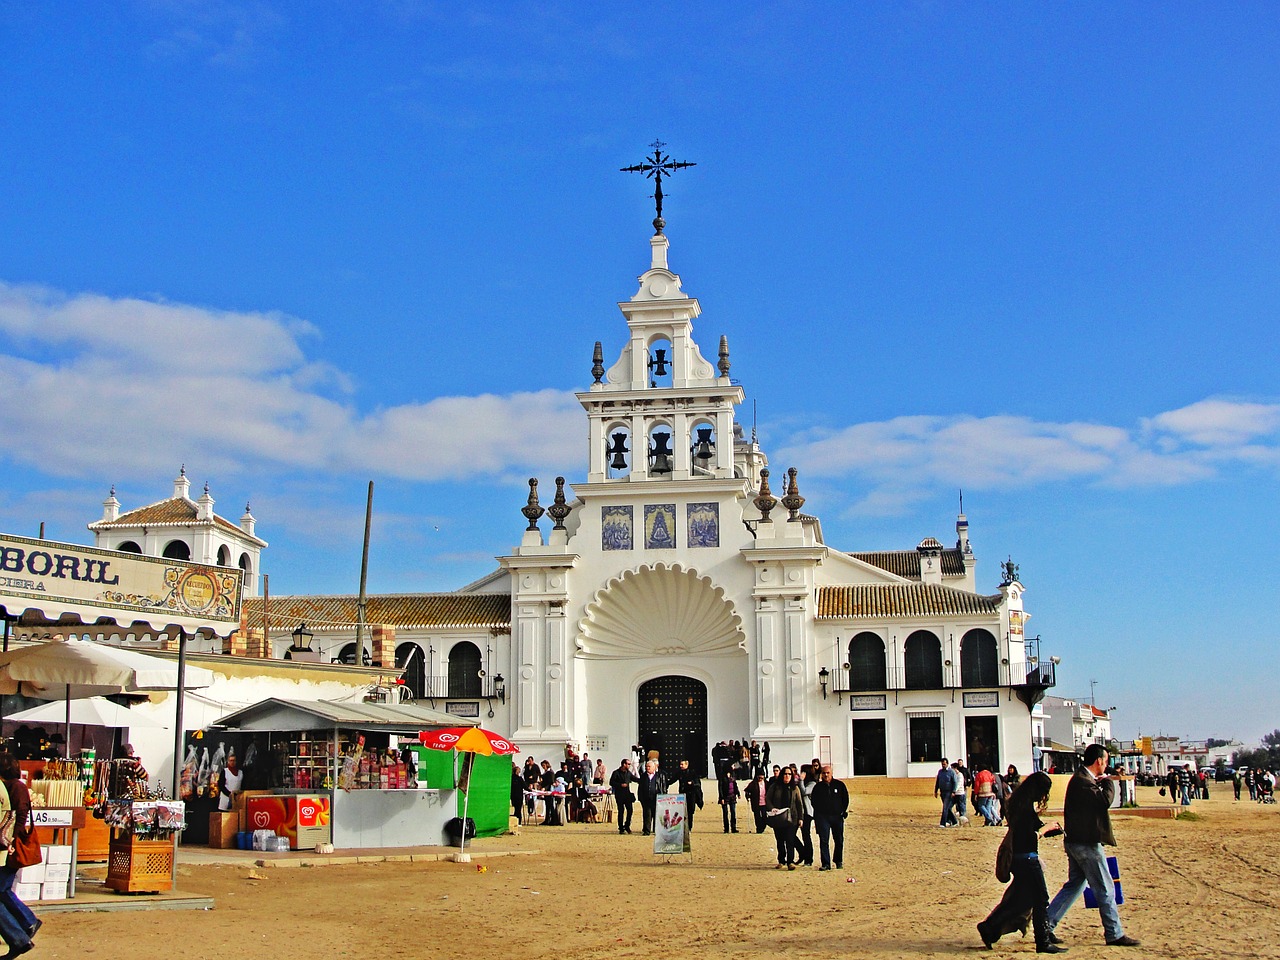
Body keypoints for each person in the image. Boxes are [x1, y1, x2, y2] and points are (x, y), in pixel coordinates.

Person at [1045, 744, 1139, 947]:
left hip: (1076, 841)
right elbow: (1104, 801)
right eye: (1105, 761)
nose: (1106, 765)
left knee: (1075, 886)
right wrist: (1108, 782)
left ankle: (1046, 925)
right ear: (1099, 761)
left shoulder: (1081, 779)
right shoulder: (1082, 781)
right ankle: (1114, 933)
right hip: (1085, 843)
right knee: (1105, 887)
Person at [977, 771, 1065, 953]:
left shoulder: (1018, 803)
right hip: (1027, 859)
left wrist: (1051, 829)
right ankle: (1043, 941)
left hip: (1019, 859)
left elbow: (1033, 826)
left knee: (1020, 900)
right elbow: (1028, 836)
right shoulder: (1024, 807)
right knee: (1041, 899)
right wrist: (1043, 831)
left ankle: (989, 928)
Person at [0, 753, 38, 957]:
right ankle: (26, 925)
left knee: (3, 889)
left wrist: (13, 838)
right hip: (9, 844)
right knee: (3, 889)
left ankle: (24, 929)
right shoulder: (13, 786)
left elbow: (18, 814)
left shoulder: (15, 787)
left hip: (10, 845)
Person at [810, 765, 849, 871]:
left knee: (839, 840)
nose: (826, 775)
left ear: (831, 773)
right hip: (823, 818)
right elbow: (813, 801)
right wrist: (820, 813)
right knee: (824, 840)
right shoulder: (818, 787)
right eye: (824, 773)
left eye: (828, 773)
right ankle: (826, 863)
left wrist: (842, 811)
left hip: (837, 817)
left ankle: (838, 861)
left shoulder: (839, 785)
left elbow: (845, 799)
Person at [766, 768, 804, 869]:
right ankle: (781, 860)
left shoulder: (795, 788)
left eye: (789, 774)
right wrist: (772, 808)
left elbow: (799, 804)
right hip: (778, 818)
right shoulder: (775, 787)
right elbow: (768, 799)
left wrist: (801, 818)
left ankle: (790, 861)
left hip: (792, 818)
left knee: (790, 839)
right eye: (785, 774)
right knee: (780, 840)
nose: (787, 776)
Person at [637, 759, 668, 835]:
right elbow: (640, 788)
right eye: (646, 766)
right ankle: (646, 831)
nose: (647, 768)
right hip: (646, 799)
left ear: (654, 767)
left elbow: (664, 787)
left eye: (649, 766)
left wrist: (663, 797)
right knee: (647, 815)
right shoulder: (643, 776)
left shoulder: (660, 775)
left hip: (657, 799)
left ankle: (656, 830)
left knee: (656, 815)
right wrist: (640, 798)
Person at [672, 759, 703, 832]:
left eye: (682, 764)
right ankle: (682, 826)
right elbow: (672, 780)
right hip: (682, 795)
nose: (681, 766)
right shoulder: (679, 773)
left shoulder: (692, 773)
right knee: (681, 812)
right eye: (680, 764)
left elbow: (697, 783)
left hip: (691, 795)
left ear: (687, 765)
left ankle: (689, 827)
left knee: (690, 812)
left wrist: (692, 783)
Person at [609, 758, 638, 835]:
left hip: (627, 795)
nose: (629, 765)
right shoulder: (616, 773)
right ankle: (621, 828)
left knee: (630, 810)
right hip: (619, 795)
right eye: (628, 764)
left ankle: (627, 826)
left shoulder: (628, 773)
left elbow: (635, 779)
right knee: (621, 811)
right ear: (624, 764)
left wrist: (644, 779)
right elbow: (611, 782)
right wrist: (620, 785)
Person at [935, 758, 956, 827]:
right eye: (942, 764)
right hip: (942, 792)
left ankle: (943, 823)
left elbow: (954, 782)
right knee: (947, 808)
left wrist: (953, 791)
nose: (943, 765)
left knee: (945, 808)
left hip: (949, 792)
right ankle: (954, 821)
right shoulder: (940, 772)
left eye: (944, 764)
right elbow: (938, 781)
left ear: (947, 764)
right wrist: (936, 790)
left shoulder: (951, 772)